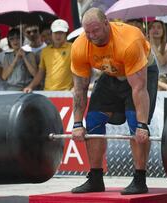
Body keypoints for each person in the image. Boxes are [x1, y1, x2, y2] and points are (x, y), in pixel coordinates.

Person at [70, 8, 155, 195]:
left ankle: (140, 179)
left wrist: (142, 125)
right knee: (92, 120)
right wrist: (77, 123)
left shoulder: (129, 41)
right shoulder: (79, 46)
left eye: (96, 31)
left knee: (137, 125)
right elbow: (80, 89)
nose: (92, 36)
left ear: (107, 23)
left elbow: (139, 89)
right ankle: (95, 178)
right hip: (111, 74)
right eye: (88, 32)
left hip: (140, 74)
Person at [23, 19, 73, 92]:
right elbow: (41, 73)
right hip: (48, 92)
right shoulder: (45, 51)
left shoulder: (73, 48)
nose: (58, 36)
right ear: (51, 33)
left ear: (66, 33)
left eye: (61, 33)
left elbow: (78, 71)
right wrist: (30, 86)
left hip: (67, 92)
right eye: (55, 33)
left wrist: (76, 87)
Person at [148, 20, 167, 90]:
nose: (156, 30)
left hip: (164, 80)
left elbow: (162, 62)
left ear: (163, 31)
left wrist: (153, 45)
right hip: (151, 80)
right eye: (153, 27)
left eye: (159, 27)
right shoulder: (146, 47)